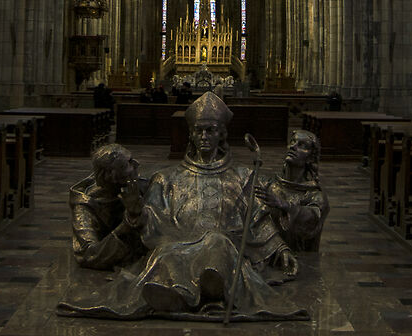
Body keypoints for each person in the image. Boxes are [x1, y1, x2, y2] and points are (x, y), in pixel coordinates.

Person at [62, 89, 304, 319]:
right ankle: (185, 293)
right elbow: (152, 221)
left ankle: (203, 289)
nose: (204, 137)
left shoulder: (242, 176)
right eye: (199, 131)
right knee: (166, 252)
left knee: (216, 243)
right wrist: (137, 213)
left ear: (222, 133)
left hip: (221, 247)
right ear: (191, 133)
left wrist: (280, 248)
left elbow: (256, 218)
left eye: (210, 130)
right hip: (175, 246)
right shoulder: (166, 178)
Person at [70, 143, 146, 268]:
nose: (136, 164)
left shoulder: (138, 187)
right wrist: (128, 222)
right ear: (113, 176)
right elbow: (88, 254)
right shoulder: (85, 207)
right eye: (129, 163)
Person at [261, 130, 330, 252]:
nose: (293, 146)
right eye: (293, 142)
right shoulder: (270, 185)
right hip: (268, 256)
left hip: (301, 260)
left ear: (310, 158)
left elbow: (311, 220)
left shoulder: (315, 196)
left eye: (302, 145)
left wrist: (284, 205)